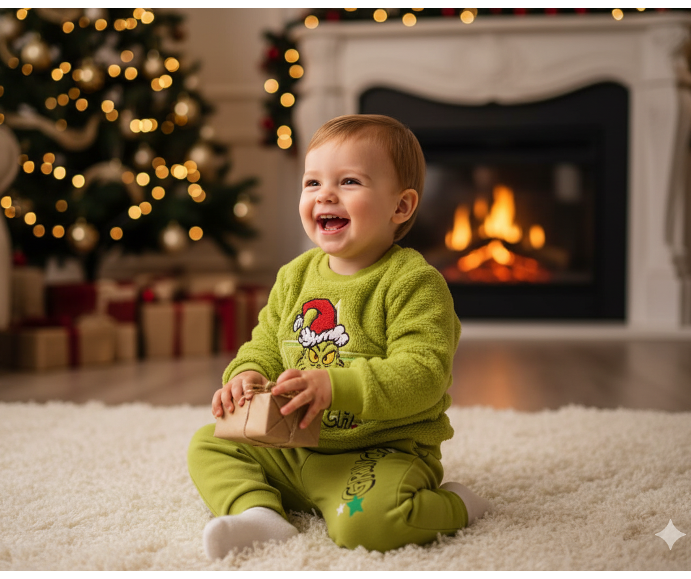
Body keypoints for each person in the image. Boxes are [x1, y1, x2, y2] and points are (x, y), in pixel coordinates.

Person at [188, 114, 492, 560]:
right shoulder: (294, 276)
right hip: (293, 445)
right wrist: (247, 375)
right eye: (313, 183)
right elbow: (266, 343)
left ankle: (459, 504)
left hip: (379, 453)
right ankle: (260, 515)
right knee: (208, 443)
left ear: (401, 207)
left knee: (367, 524)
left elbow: (423, 374)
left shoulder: (414, 283)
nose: (325, 195)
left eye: (349, 181)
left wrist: (334, 387)